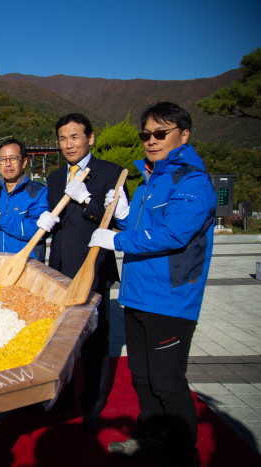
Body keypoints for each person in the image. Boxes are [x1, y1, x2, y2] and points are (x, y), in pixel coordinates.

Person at [90, 102, 216, 467]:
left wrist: (118, 241)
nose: (151, 140)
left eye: (161, 133)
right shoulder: (150, 180)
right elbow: (138, 231)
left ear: (184, 134)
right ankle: (148, 440)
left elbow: (174, 234)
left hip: (171, 300)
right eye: (146, 134)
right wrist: (121, 220)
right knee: (142, 378)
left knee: (166, 382)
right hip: (138, 296)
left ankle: (180, 454)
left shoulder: (191, 180)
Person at [38, 113, 125, 431]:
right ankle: (59, 397)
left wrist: (87, 200)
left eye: (75, 137)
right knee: (59, 338)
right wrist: (46, 224)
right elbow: (57, 219)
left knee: (95, 341)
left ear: (91, 138)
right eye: (62, 138)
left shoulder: (111, 173)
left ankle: (93, 405)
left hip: (93, 267)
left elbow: (115, 217)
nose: (68, 144)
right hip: (59, 268)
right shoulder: (55, 176)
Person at [0, 138, 49, 260]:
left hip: (26, 265)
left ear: (24, 162)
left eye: (13, 158)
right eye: (3, 159)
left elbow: (38, 231)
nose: (8, 164)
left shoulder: (38, 192)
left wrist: (1, 219)